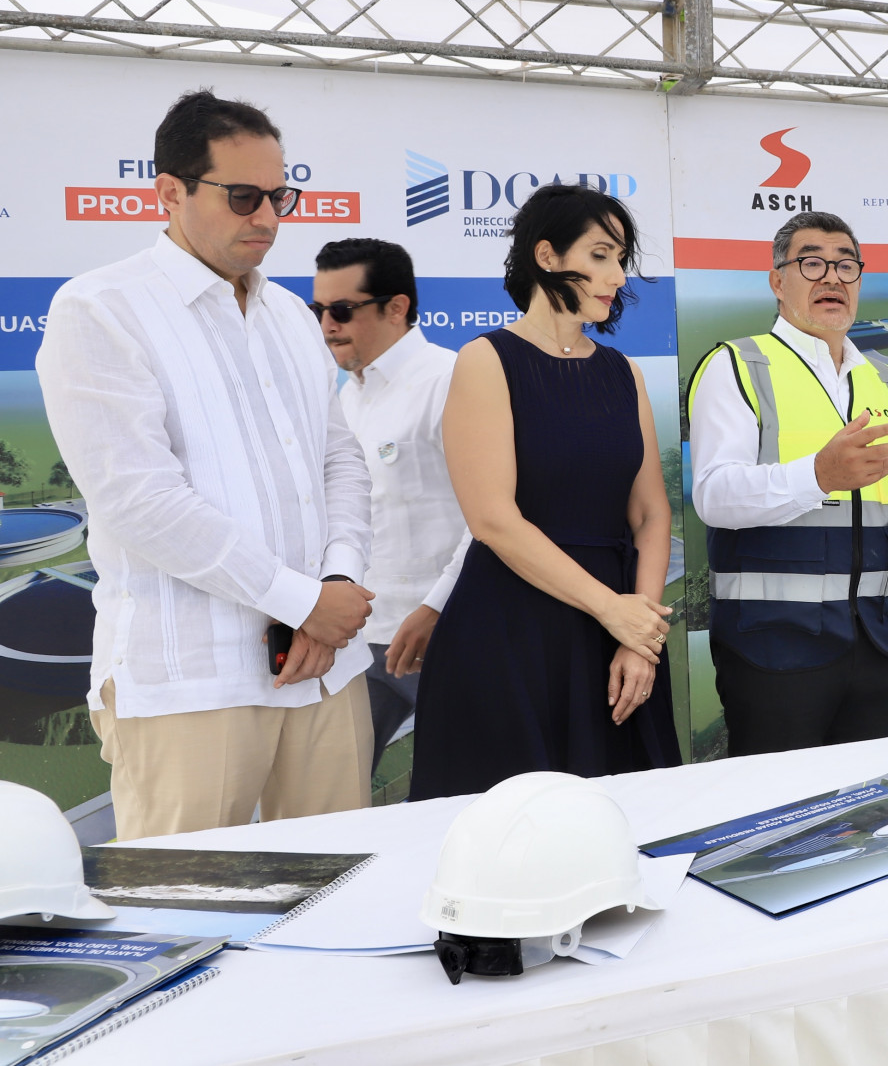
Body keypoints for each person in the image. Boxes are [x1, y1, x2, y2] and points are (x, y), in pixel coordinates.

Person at [37, 89, 374, 839]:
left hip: (325, 671)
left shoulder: (291, 315)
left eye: (280, 196)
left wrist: (339, 583)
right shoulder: (102, 309)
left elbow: (340, 459)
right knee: (183, 901)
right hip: (190, 679)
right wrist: (302, 601)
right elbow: (140, 502)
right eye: (244, 196)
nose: (268, 217)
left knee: (343, 888)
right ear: (170, 191)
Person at [409, 184, 679, 799]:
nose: (618, 277)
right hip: (513, 628)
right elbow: (493, 519)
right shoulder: (486, 359)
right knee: (515, 822)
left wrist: (641, 638)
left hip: (617, 630)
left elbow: (651, 514)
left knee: (625, 819)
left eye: (621, 260)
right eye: (601, 255)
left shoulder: (624, 372)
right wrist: (612, 611)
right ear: (547, 256)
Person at [688, 212, 888, 754]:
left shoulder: (887, 380)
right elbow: (713, 495)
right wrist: (819, 476)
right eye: (812, 264)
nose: (832, 278)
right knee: (781, 799)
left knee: (881, 795)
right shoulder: (738, 365)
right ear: (777, 281)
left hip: (883, 645)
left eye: (846, 266)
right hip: (774, 647)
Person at [312, 238, 468, 767]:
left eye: (341, 310)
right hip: (360, 638)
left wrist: (437, 608)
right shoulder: (345, 394)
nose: (327, 325)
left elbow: (492, 515)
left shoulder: (451, 380)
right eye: (317, 310)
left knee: (466, 791)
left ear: (396, 307)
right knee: (340, 788)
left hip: (445, 636)